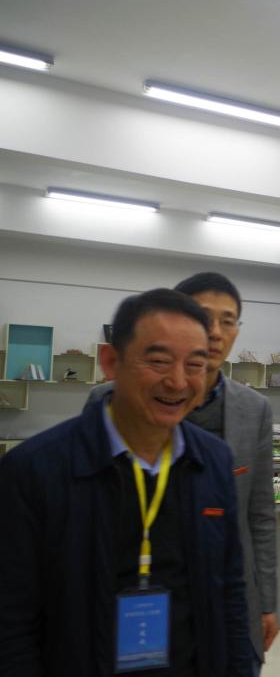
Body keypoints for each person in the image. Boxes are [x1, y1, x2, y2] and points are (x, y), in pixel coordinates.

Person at [0, 288, 252, 675]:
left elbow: (230, 590)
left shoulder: (213, 461)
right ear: (111, 361)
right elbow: (12, 622)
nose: (178, 381)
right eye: (159, 361)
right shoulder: (34, 470)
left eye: (195, 365)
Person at [89, 272, 278, 673]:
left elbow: (260, 515)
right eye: (204, 316)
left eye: (228, 321)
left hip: (223, 597)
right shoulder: (106, 400)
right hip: (127, 592)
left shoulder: (253, 409)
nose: (216, 332)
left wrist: (266, 603)